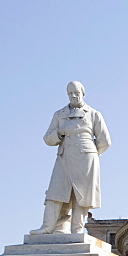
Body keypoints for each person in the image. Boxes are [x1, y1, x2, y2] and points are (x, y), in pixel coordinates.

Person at [32, 81, 110, 235]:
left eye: (76, 92)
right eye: (70, 93)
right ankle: (49, 227)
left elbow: (105, 141)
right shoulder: (59, 114)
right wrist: (60, 131)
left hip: (86, 158)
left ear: (83, 93)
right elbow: (48, 139)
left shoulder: (94, 114)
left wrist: (91, 154)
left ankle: (77, 229)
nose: (73, 96)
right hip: (64, 157)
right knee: (55, 192)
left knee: (82, 195)